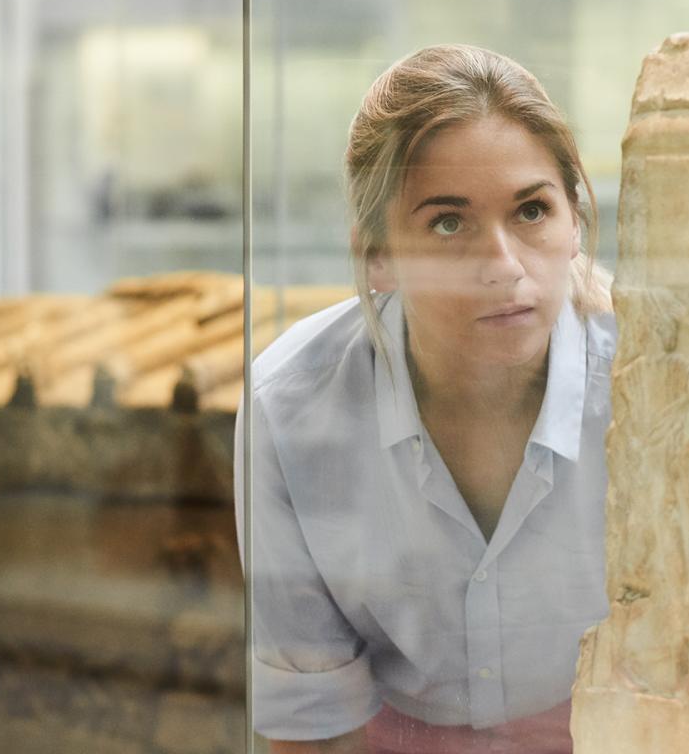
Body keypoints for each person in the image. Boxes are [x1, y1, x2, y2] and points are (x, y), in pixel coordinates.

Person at [235, 45, 614, 753]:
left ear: (575, 225)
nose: (503, 268)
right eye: (448, 222)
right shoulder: (287, 411)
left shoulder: (656, 384)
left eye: (532, 210)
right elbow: (310, 730)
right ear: (377, 256)